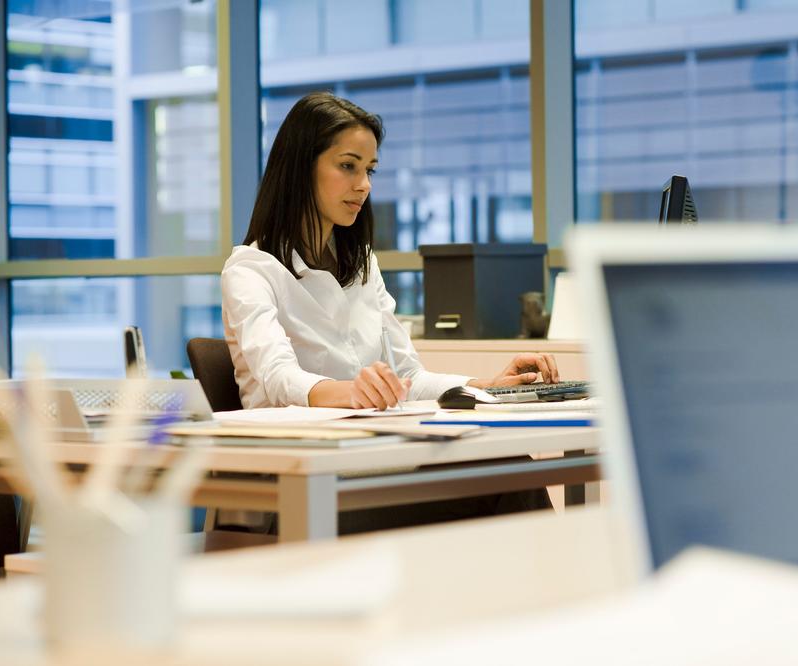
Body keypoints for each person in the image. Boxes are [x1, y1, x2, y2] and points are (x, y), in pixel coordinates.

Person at [221, 92, 554, 532]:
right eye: (348, 166)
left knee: (508, 466)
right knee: (504, 479)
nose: (364, 185)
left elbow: (407, 376)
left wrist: (484, 385)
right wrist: (349, 391)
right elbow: (279, 379)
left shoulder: (361, 264)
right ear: (302, 167)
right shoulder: (250, 269)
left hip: (377, 463)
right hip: (304, 486)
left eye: (369, 170)